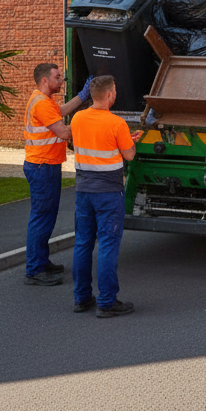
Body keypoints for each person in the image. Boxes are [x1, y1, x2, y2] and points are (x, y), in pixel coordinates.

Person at [69, 75, 143, 317]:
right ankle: (107, 302)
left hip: (83, 192)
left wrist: (121, 143)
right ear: (110, 95)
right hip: (108, 194)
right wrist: (131, 144)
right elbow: (129, 156)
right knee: (108, 246)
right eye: (115, 91)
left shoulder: (78, 118)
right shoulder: (117, 123)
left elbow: (90, 143)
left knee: (82, 244)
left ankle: (81, 298)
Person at [23, 64, 91, 286]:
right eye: (57, 77)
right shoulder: (42, 104)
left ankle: (41, 262)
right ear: (45, 80)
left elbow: (61, 112)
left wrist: (82, 96)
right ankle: (34, 269)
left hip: (43, 165)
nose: (61, 80)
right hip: (43, 166)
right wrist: (91, 123)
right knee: (41, 219)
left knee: (45, 217)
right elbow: (63, 132)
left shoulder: (44, 100)